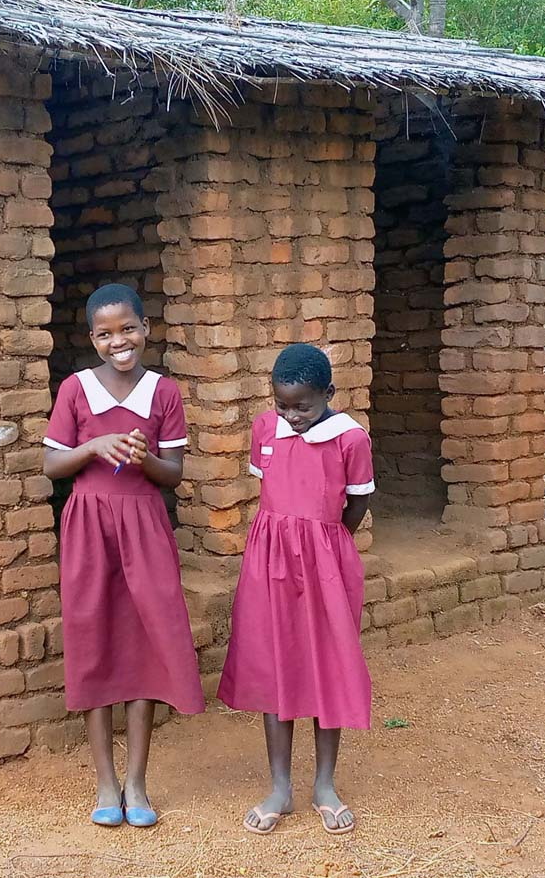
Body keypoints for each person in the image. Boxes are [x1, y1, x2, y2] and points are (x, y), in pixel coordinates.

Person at [42, 283, 205, 828]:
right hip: (89, 527)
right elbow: (51, 465)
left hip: (143, 526)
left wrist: (144, 458)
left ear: (145, 328)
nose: (119, 342)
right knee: (93, 642)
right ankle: (106, 783)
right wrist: (91, 447)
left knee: (146, 645)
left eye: (128, 329)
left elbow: (173, 474)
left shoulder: (164, 392)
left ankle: (137, 782)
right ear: (92, 339)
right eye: (106, 334)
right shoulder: (76, 389)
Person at [218, 343, 375, 836]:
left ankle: (324, 785)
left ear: (329, 393)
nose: (292, 416)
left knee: (327, 665)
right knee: (274, 666)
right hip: (269, 562)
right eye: (282, 405)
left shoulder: (350, 439)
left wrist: (324, 541)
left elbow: (356, 505)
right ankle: (280, 787)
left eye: (302, 406)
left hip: (326, 565)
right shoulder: (265, 429)